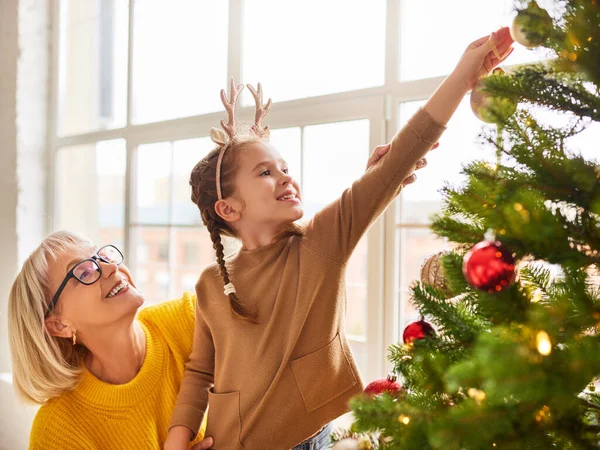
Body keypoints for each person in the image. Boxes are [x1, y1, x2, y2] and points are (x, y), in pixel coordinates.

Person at [165, 27, 514, 450]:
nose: (285, 177)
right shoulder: (209, 284)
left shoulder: (319, 242)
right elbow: (201, 372)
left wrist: (463, 73)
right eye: (265, 172)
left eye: (284, 166)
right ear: (229, 209)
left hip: (304, 441)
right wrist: (176, 442)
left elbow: (399, 159)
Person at [7, 231, 212, 449]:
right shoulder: (58, 431)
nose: (111, 268)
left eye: (102, 257)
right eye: (84, 273)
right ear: (60, 325)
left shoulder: (190, 318)